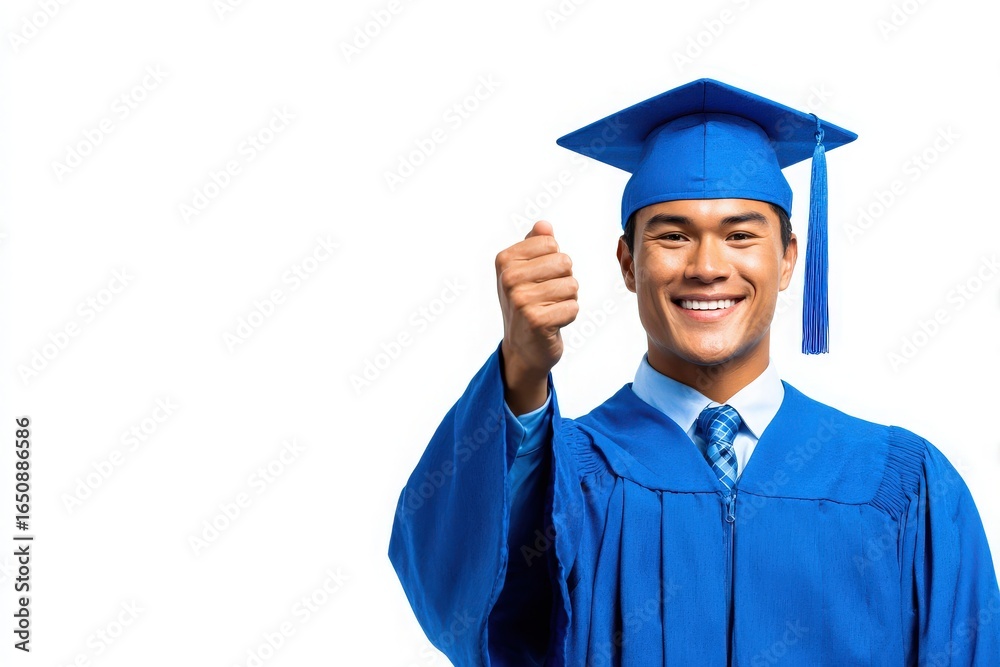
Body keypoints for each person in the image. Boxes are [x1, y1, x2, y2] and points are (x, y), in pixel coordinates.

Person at [388, 78, 1000, 665]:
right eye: (673, 236)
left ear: (789, 258)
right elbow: (468, 606)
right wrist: (521, 371)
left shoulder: (903, 486)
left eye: (739, 235)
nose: (708, 266)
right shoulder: (565, 479)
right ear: (628, 263)